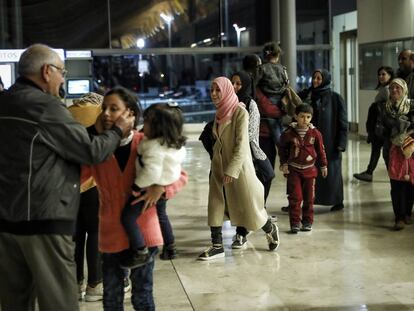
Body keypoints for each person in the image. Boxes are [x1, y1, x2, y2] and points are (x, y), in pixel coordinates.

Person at [0, 44, 134, 311]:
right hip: (43, 221)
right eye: (62, 71)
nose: (63, 78)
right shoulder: (45, 106)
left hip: (7, 223)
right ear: (47, 71)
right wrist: (118, 131)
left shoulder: (6, 102)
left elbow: (47, 146)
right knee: (59, 302)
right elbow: (90, 151)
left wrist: (92, 130)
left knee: (15, 303)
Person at [82, 86, 188, 310]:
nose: (106, 114)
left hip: (145, 231)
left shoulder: (146, 141)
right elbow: (79, 176)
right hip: (110, 232)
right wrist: (93, 133)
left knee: (142, 296)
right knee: (111, 298)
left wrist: (161, 189)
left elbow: (180, 175)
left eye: (114, 108)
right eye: (104, 109)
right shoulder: (98, 147)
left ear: (129, 112)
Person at [198, 77, 279, 260]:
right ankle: (217, 245)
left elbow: (242, 145)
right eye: (212, 90)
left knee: (251, 209)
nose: (213, 94)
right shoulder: (219, 114)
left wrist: (231, 170)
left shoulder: (240, 113)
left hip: (239, 170)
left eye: (218, 90)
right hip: (219, 168)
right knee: (216, 204)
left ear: (226, 91)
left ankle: (269, 227)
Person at [120, 103, 186, 268]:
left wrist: (157, 188)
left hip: (145, 191)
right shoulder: (168, 144)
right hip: (154, 189)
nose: (144, 125)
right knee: (162, 215)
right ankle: (170, 247)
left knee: (128, 217)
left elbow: (155, 172)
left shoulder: (150, 145)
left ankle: (141, 250)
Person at [68, 92, 105, 301]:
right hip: (93, 181)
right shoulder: (100, 113)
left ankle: (74, 284)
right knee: (95, 232)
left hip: (71, 183)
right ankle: (94, 285)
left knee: (76, 235)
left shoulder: (67, 113)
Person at [298, 69, 348, 212]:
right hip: (310, 141)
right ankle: (309, 200)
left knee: (332, 172)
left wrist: (341, 143)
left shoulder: (335, 98)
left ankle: (337, 200)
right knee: (310, 172)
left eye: (319, 78)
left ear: (326, 80)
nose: (315, 81)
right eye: (314, 78)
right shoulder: (309, 96)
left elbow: (343, 122)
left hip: (331, 142)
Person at [278, 104, 328, 233]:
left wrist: (323, 165)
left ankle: (307, 221)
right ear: (295, 116)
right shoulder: (288, 133)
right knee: (295, 198)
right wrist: (284, 164)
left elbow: (321, 150)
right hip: (294, 170)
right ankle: (294, 223)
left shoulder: (315, 133)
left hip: (310, 171)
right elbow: (282, 150)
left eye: (308, 117)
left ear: (311, 118)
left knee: (309, 198)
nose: (305, 120)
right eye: (301, 116)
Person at [380, 78, 414, 230]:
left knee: (410, 183)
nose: (394, 90)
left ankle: (407, 212)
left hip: (410, 150)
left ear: (404, 90)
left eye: (398, 88)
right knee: (396, 184)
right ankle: (398, 217)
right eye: (392, 88)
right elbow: (381, 128)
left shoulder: (411, 106)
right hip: (392, 149)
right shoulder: (384, 107)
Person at [354, 66, 394, 182]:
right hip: (380, 126)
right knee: (377, 150)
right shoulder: (384, 88)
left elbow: (387, 109)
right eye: (379, 74)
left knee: (385, 153)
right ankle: (370, 172)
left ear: (390, 75)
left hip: (383, 127)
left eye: (383, 74)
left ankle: (391, 175)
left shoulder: (387, 89)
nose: (380, 77)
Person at [256, 42, 290, 144]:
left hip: (267, 100)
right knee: (279, 124)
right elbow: (287, 83)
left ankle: (282, 147)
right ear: (278, 55)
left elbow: (255, 83)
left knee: (274, 129)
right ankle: (285, 145)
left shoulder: (262, 68)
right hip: (281, 101)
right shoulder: (283, 69)